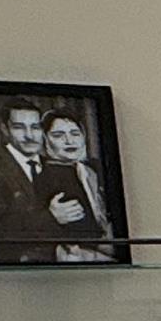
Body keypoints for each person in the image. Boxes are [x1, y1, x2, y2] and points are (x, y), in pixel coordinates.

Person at [0, 98, 57, 262]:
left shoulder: (53, 166)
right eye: (19, 127)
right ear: (4, 129)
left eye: (35, 127)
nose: (29, 136)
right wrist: (50, 216)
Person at [39, 110, 118, 261]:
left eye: (75, 133)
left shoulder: (93, 169)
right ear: (45, 140)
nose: (69, 141)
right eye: (58, 135)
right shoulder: (42, 176)